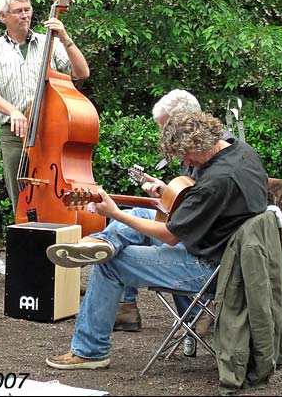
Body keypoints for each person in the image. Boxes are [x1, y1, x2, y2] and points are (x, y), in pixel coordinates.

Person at [44, 111, 268, 369]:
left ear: (200, 143)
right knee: (140, 214)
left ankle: (90, 351)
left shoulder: (217, 180)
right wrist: (168, 192)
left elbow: (170, 236)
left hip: (212, 269)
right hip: (229, 251)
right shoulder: (241, 152)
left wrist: (115, 213)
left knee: (112, 264)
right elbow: (208, 207)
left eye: (186, 155)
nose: (187, 162)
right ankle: (103, 242)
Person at [114, 89, 226, 341]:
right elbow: (192, 199)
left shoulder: (212, 159)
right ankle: (126, 301)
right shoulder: (205, 151)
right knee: (132, 222)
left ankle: (123, 297)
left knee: (124, 235)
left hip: (200, 247)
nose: (162, 136)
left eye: (165, 127)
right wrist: (167, 192)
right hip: (196, 234)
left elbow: (186, 222)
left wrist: (120, 214)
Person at [0, 0, 90, 213]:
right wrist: (13, 111)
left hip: (52, 132)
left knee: (59, 190)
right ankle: (26, 241)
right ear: (3, 17)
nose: (25, 15)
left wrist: (65, 37)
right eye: (18, 11)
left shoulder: (50, 43)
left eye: (27, 10)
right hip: (15, 134)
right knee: (21, 198)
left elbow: (82, 72)